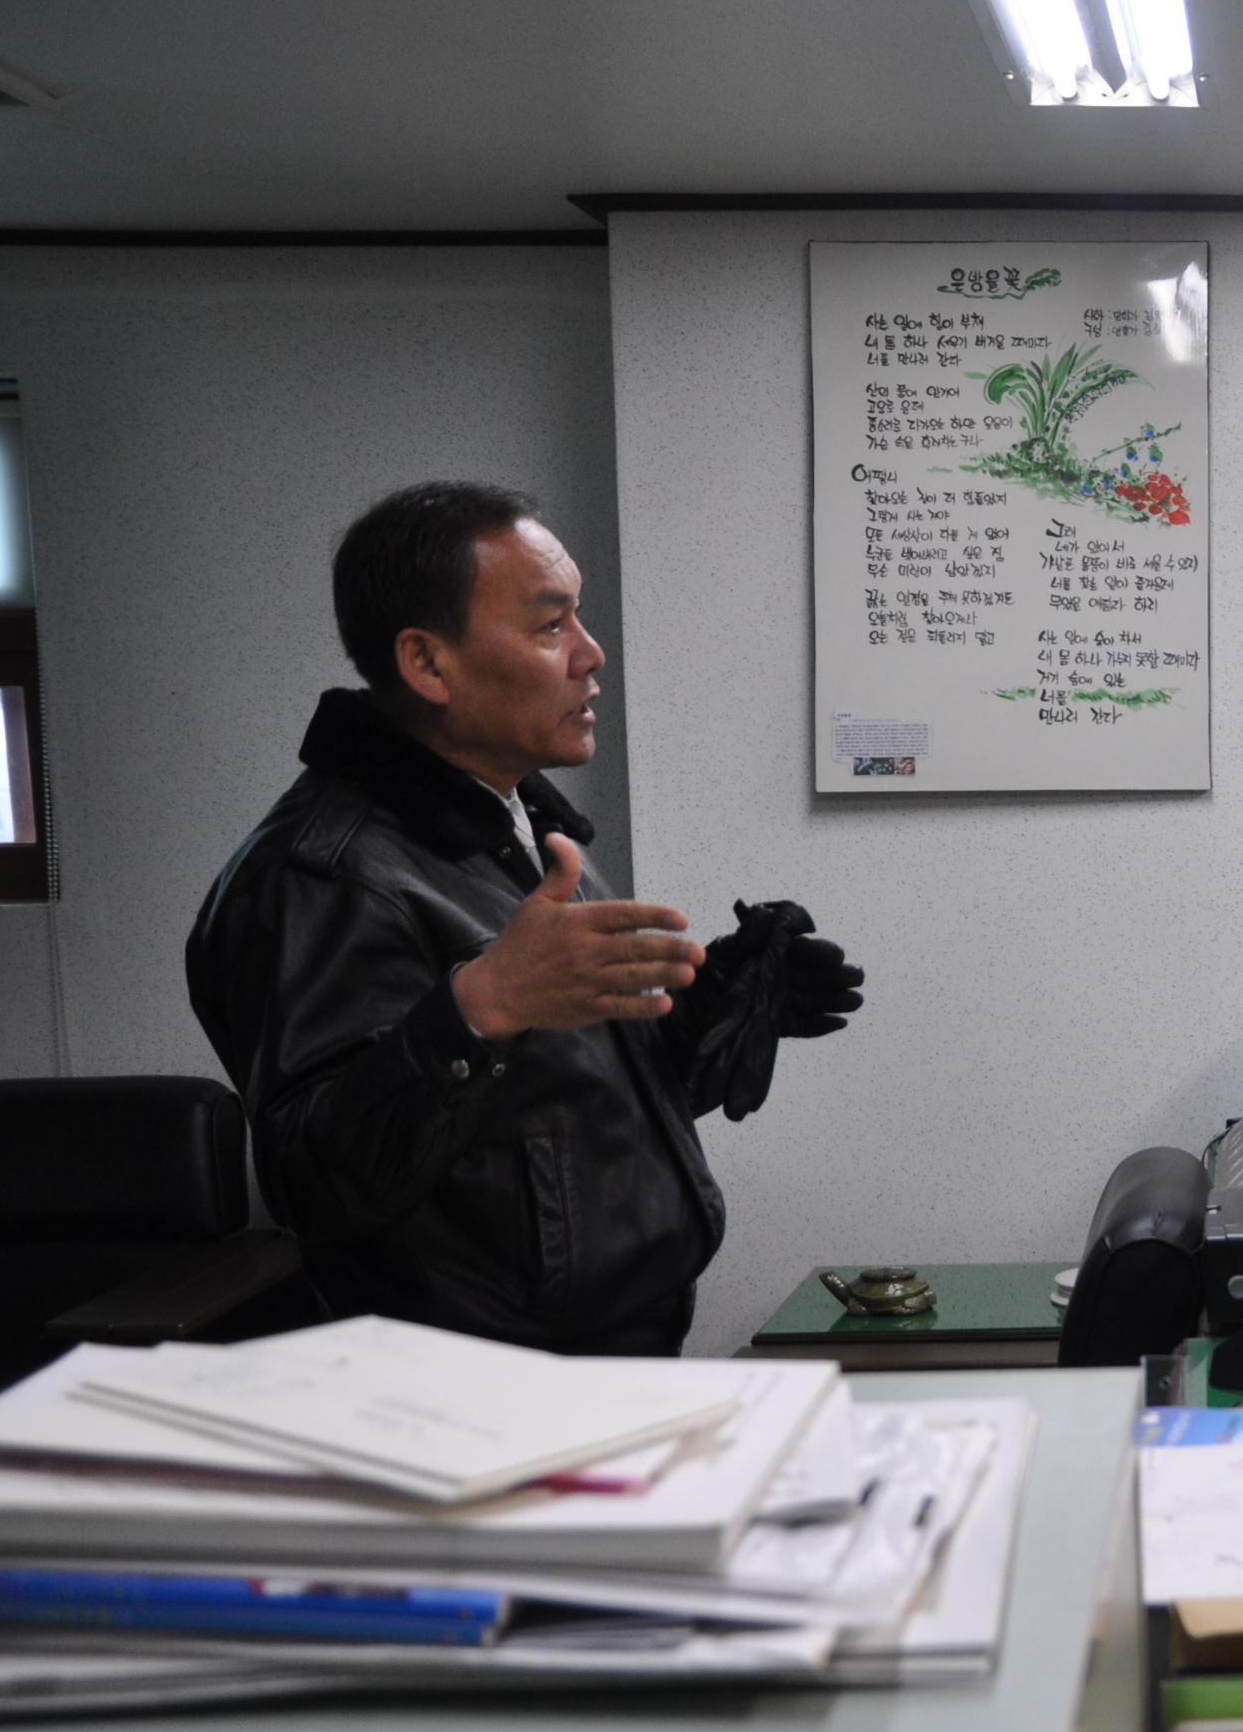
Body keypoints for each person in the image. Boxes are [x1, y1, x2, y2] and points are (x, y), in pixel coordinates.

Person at [186, 481, 863, 1355]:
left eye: (578, 617)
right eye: (551, 626)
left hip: (607, 1360)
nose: (592, 653)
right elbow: (318, 1184)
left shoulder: (509, 825)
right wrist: (481, 1007)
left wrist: (704, 1014)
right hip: (476, 1387)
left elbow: (541, 1117)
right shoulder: (317, 877)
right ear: (428, 664)